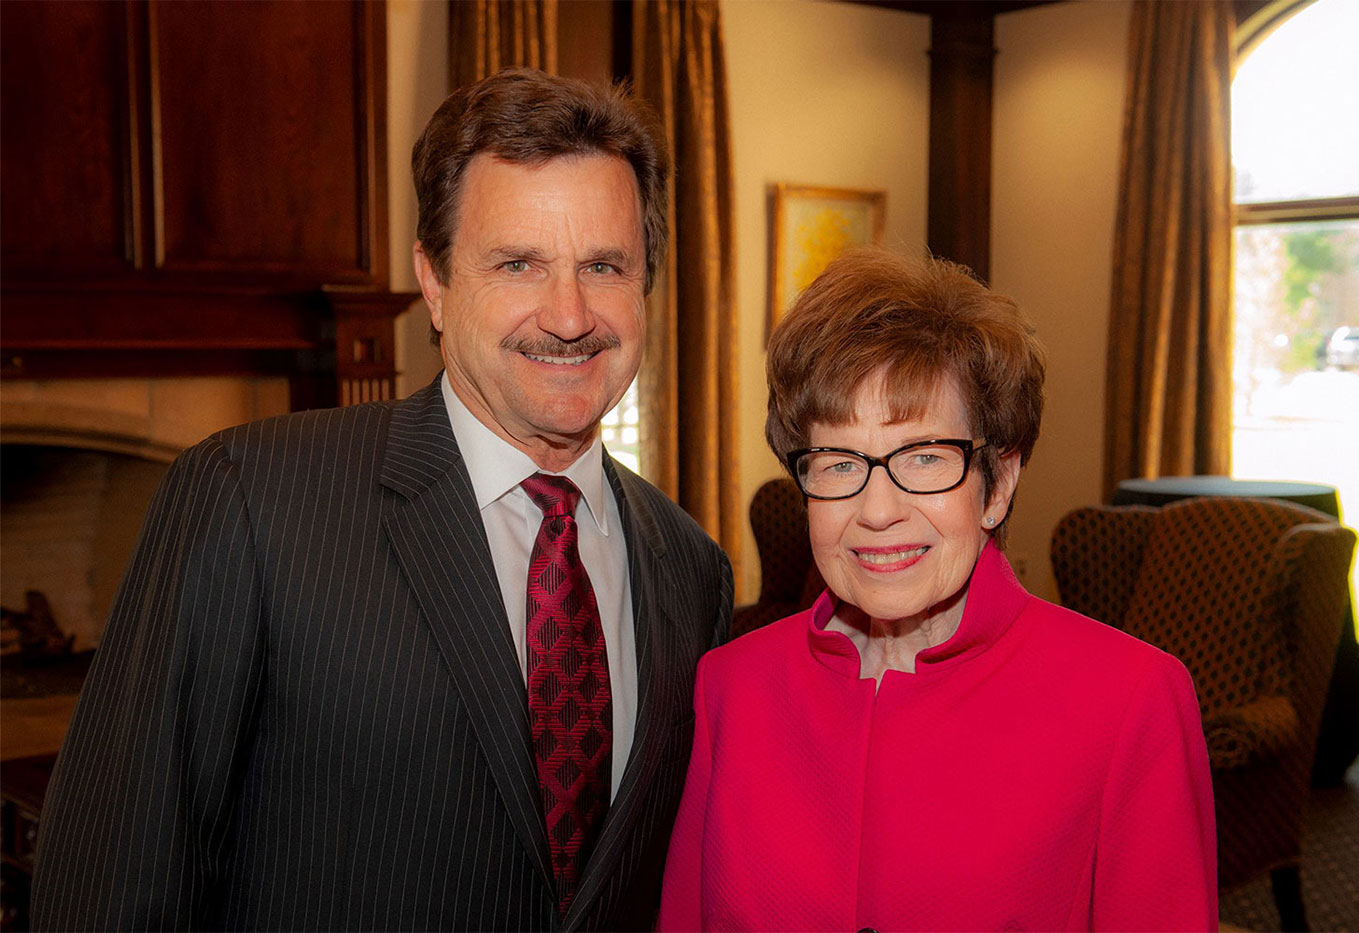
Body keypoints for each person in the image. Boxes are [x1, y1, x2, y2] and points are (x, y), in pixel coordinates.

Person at [32, 69, 733, 932]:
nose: (569, 312)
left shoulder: (692, 568)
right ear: (434, 281)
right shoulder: (251, 500)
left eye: (605, 265)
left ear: (646, 285)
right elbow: (111, 879)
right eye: (518, 262)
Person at [658, 249, 1217, 931]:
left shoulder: (1132, 700)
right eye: (837, 463)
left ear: (999, 482)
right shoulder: (731, 685)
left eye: (924, 456)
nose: (878, 509)